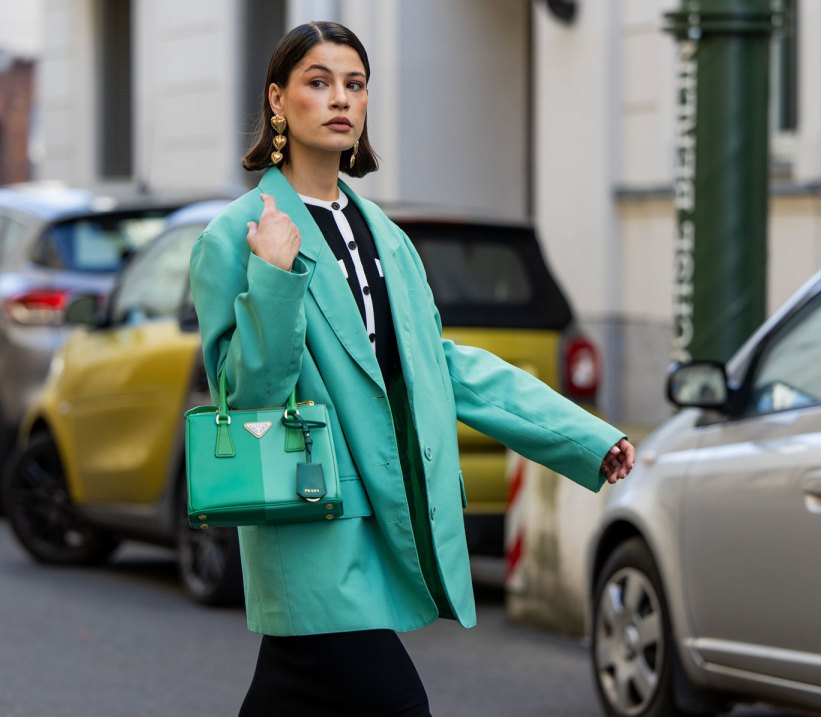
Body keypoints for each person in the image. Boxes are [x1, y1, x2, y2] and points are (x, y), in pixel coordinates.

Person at [189, 21, 635, 717]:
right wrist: (272, 276)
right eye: (318, 82)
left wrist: (582, 436)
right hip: (310, 517)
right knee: (396, 703)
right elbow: (249, 399)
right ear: (277, 101)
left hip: (385, 511)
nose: (340, 98)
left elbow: (443, 367)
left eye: (355, 84)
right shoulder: (236, 234)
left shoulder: (387, 238)